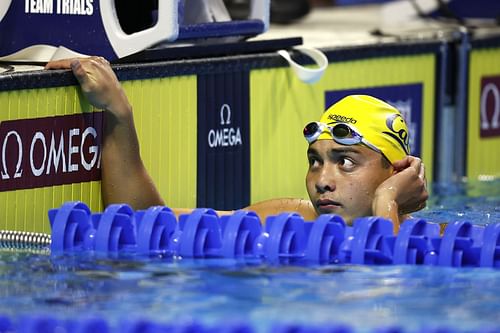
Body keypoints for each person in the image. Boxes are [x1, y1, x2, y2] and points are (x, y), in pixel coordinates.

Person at [45, 57, 428, 232]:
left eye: (346, 162)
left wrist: (386, 202)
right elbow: (142, 222)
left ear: (393, 171)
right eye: (315, 160)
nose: (322, 180)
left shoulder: (440, 241)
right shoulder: (285, 219)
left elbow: (386, 298)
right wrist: (119, 113)